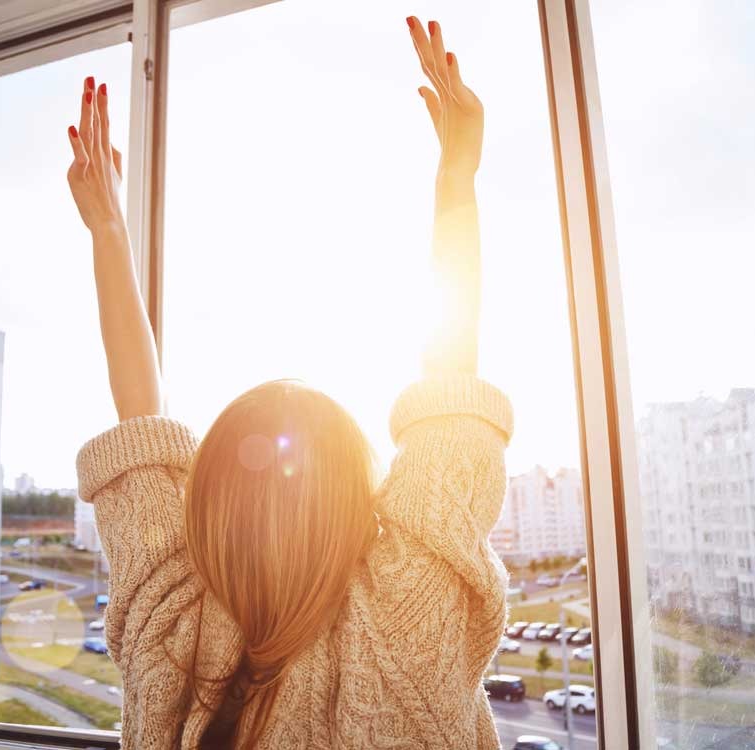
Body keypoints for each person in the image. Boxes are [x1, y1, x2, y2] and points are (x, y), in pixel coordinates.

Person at [66, 16, 513, 749]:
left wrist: (109, 232)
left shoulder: (170, 636)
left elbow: (138, 421)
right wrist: (456, 175)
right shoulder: (406, 620)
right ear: (358, 497)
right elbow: (451, 380)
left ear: (208, 503)